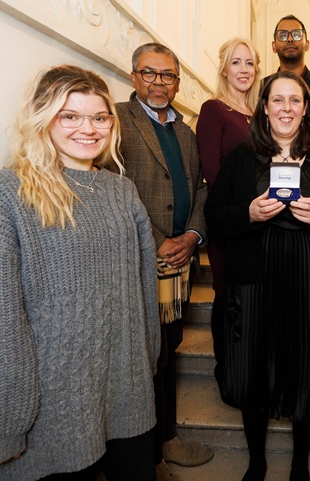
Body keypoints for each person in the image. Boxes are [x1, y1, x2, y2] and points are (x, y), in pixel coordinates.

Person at [0, 65, 160, 481]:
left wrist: (147, 368)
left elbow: (143, 294)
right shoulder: (0, 196)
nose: (88, 129)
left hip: (127, 396)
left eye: (100, 117)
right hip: (51, 415)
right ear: (41, 118)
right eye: (69, 116)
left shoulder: (121, 191)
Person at [204, 71, 310, 481]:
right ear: (264, 107)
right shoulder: (242, 157)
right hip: (255, 278)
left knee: (307, 369)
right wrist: (248, 213)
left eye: (295, 100)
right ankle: (256, 462)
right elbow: (215, 217)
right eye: (278, 100)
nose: (287, 109)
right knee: (254, 368)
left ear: (307, 108)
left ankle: (299, 465)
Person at [106, 43, 212, 481]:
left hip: (180, 261)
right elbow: (112, 191)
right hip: (136, 261)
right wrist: (156, 241)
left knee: (168, 350)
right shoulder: (114, 121)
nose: (159, 83)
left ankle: (166, 437)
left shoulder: (185, 133)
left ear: (177, 82)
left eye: (168, 76)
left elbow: (201, 189)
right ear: (133, 76)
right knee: (143, 357)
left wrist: (191, 235)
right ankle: (146, 455)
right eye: (150, 74)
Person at [196, 37, 260, 384]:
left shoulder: (260, 112)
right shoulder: (214, 109)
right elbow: (212, 171)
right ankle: (226, 370)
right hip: (229, 218)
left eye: (249, 63)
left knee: (249, 295)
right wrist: (243, 208)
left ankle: (246, 364)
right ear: (224, 68)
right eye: (236, 62)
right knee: (226, 294)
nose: (243, 70)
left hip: (258, 218)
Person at [262, 14, 310, 100]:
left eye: (297, 35)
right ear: (274, 46)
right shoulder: (262, 87)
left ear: (307, 44)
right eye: (283, 36)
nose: (290, 39)